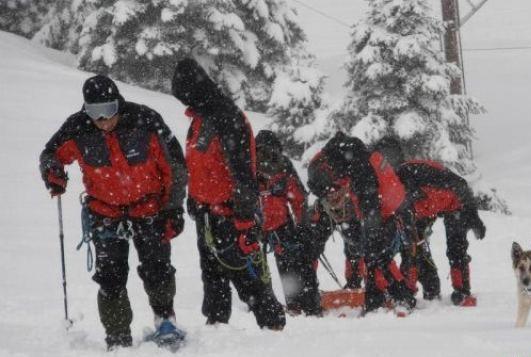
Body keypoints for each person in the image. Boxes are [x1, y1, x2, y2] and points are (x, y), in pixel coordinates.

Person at [39, 75, 187, 349]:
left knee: (158, 269)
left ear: (119, 103)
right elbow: (51, 154)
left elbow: (175, 166)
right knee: (110, 277)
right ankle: (118, 335)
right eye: (95, 112)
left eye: (109, 110)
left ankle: (165, 320)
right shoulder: (78, 128)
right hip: (104, 213)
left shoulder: (145, 120)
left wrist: (174, 209)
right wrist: (53, 173)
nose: (103, 119)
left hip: (150, 209)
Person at [171, 58, 285, 329]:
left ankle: (272, 323)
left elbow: (243, 172)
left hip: (230, 212)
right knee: (211, 272)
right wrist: (194, 199)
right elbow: (199, 164)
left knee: (240, 270)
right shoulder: (199, 118)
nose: (183, 102)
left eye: (184, 95)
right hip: (207, 211)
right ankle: (217, 321)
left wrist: (245, 220)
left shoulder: (227, 117)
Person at [307, 132, 416, 314]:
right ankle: (366, 290)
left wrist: (371, 229)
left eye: (332, 191)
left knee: (376, 253)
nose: (332, 195)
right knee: (363, 247)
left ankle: (398, 297)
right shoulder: (335, 160)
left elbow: (370, 204)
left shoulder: (361, 169)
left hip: (387, 209)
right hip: (377, 203)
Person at [373, 136, 486, 306]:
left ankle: (461, 292)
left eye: (387, 158)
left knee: (455, 249)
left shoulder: (407, 173)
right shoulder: (393, 181)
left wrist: (474, 217)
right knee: (413, 248)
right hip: (427, 210)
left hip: (455, 204)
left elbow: (460, 186)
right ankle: (425, 291)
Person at [255, 130, 322, 316]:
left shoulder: (250, 164)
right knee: (298, 264)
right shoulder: (282, 164)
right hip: (280, 225)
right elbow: (299, 198)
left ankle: (290, 305)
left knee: (280, 267)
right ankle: (308, 306)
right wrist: (303, 226)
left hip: (263, 226)